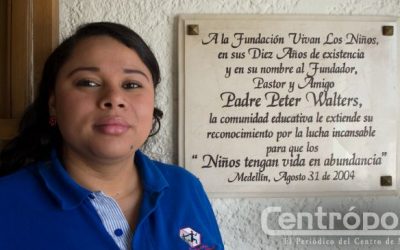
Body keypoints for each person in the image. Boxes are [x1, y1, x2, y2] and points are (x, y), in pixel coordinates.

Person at [0, 22, 224, 250]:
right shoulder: (6, 203)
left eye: (131, 84)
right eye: (88, 82)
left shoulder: (185, 188)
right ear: (53, 104)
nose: (114, 98)